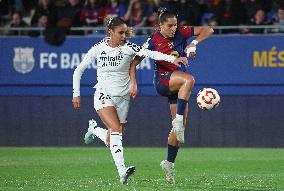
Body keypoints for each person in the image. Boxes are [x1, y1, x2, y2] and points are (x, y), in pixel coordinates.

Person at [72, 17, 188, 185]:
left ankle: (94, 129)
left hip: (123, 97)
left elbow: (151, 53)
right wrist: (76, 93)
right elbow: (79, 70)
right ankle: (122, 171)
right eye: (120, 33)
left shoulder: (129, 48)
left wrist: (173, 59)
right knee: (116, 128)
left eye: (126, 32)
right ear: (110, 32)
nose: (124, 36)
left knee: (112, 138)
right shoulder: (98, 49)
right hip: (103, 94)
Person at [132, 8, 214, 183]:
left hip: (177, 87)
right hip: (163, 82)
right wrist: (133, 82)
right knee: (189, 80)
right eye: (170, 26)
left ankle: (168, 163)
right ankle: (177, 120)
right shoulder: (153, 40)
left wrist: (194, 43)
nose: (174, 29)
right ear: (160, 25)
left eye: (175, 25)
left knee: (180, 131)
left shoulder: (181, 32)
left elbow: (208, 29)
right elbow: (135, 61)